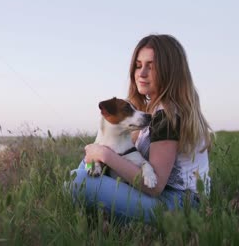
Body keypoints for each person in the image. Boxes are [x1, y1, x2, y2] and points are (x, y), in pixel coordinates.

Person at [68, 34, 213, 224]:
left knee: (81, 181)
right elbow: (123, 161)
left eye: (151, 67)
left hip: (178, 205)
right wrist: (95, 158)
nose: (141, 73)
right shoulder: (150, 113)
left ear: (170, 71)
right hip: (166, 199)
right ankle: (75, 192)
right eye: (138, 65)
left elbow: (156, 187)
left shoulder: (166, 115)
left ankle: (74, 194)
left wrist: (105, 155)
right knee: (84, 167)